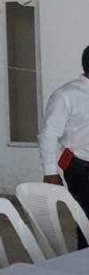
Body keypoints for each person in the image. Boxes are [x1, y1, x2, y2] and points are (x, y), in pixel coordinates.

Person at [39, 45, 89, 249]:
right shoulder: (66, 95)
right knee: (87, 219)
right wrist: (50, 172)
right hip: (81, 167)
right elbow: (49, 134)